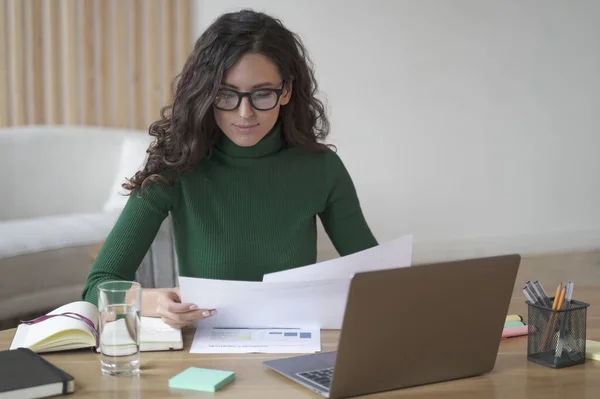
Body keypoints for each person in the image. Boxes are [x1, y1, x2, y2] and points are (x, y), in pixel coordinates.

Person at [82, 9, 377, 329]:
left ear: (286, 91)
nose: (245, 112)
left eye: (262, 93)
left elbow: (382, 281)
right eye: (226, 94)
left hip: (293, 349)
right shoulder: (175, 167)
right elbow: (97, 286)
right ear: (207, 93)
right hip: (202, 354)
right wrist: (157, 302)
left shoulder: (322, 169)